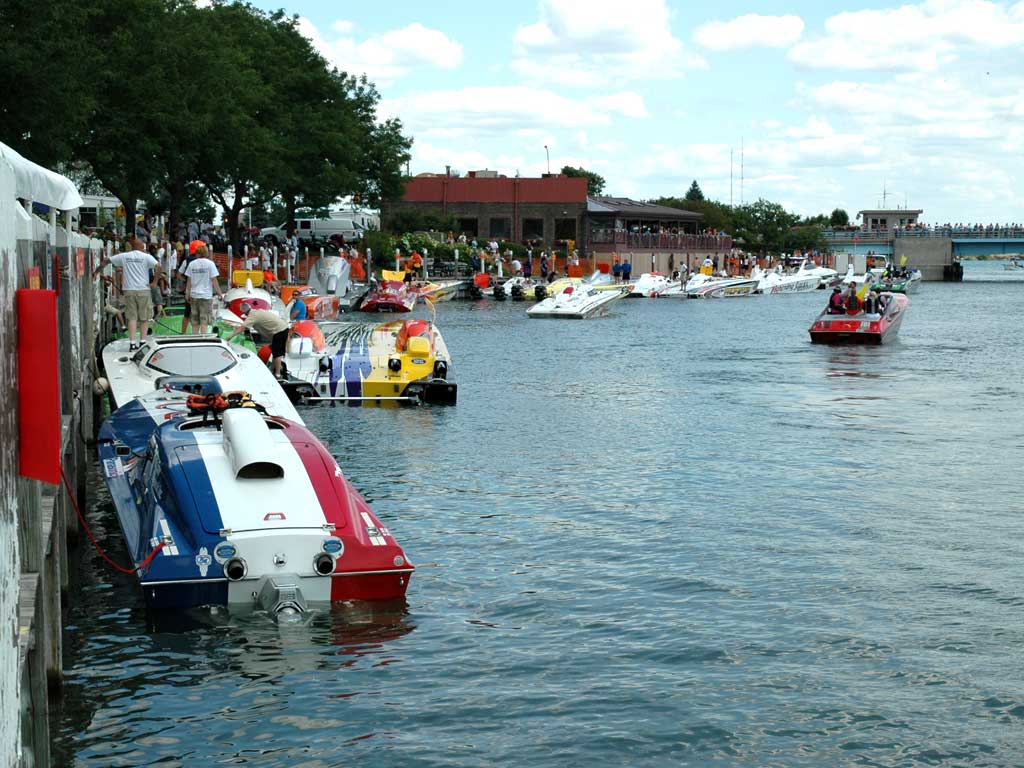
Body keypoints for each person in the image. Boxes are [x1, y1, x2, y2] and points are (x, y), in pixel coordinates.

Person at [93, 237, 160, 350]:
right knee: (144, 318)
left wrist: (96, 272)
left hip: (129, 290)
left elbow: (106, 261)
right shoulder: (146, 257)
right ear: (141, 246)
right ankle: (143, 342)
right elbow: (158, 266)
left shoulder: (124, 256)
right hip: (143, 290)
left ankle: (132, 343)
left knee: (132, 318)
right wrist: (154, 282)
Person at [225, 302, 290, 377]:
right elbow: (245, 326)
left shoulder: (252, 316)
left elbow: (242, 328)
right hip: (282, 328)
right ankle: (273, 369)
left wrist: (229, 337)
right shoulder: (256, 312)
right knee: (275, 351)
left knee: (277, 353)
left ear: (244, 312)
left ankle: (277, 374)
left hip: (279, 331)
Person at [184, 245, 223, 334]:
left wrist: (187, 293)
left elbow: (189, 281)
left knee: (195, 320)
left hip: (194, 295)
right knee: (204, 320)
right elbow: (214, 280)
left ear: (197, 253)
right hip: (206, 296)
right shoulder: (210, 264)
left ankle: (195, 338)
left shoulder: (191, 264)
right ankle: (203, 338)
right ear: (206, 253)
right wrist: (220, 293)